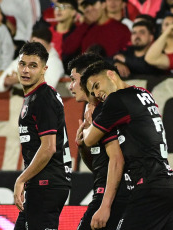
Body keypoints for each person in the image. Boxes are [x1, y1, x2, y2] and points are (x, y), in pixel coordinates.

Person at [78, 61, 173, 229]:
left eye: (97, 85)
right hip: (167, 185)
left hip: (148, 188)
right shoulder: (143, 93)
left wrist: (89, 124)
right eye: (93, 92)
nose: (97, 93)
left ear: (111, 74)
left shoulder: (117, 100)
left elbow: (89, 139)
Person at [13, 42, 72, 230]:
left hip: (47, 182)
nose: (26, 70)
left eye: (33, 66)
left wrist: (21, 179)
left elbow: (48, 147)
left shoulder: (43, 97)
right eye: (23, 64)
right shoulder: (33, 97)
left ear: (44, 69)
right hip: (41, 182)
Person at [68, 53, 128, 229]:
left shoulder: (105, 111)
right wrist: (82, 146)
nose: (70, 86)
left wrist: (105, 206)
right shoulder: (91, 111)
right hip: (102, 192)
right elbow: (99, 165)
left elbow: (117, 158)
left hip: (115, 197)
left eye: (73, 79)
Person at [0, 27, 64, 92]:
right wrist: (6, 82)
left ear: (49, 46)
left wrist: (20, 80)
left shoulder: (55, 62)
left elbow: (47, 88)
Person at [62, 0, 130, 60]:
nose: (89, 9)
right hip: (86, 70)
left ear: (103, 4)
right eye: (86, 6)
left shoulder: (121, 29)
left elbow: (127, 55)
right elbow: (67, 49)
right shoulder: (84, 28)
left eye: (93, 4)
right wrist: (85, 24)